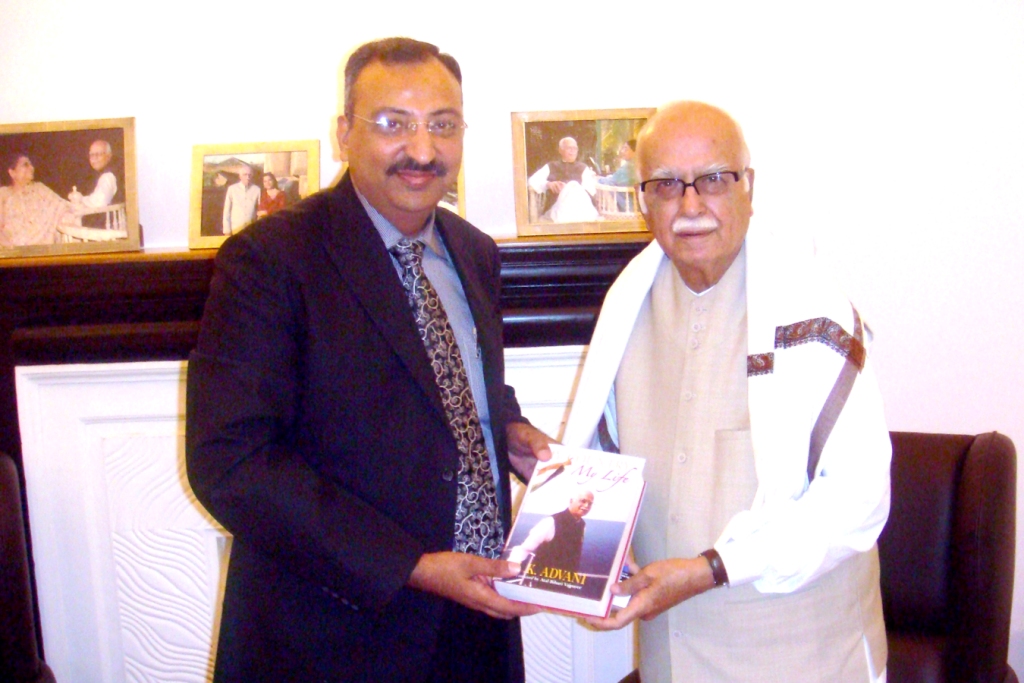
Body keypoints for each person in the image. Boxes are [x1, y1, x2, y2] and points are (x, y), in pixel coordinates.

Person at [186, 37, 555, 682]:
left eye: (443, 125)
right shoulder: (270, 260)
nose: (423, 150)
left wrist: (509, 428)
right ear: (343, 134)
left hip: (477, 626)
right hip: (332, 636)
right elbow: (231, 463)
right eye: (393, 124)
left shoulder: (474, 252)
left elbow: (450, 380)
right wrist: (411, 566)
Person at [562, 101, 891, 683]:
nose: (691, 206)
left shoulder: (813, 310)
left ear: (749, 187)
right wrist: (588, 561)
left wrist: (712, 568)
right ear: (644, 199)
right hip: (672, 655)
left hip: (801, 658)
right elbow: (604, 459)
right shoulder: (627, 303)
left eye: (713, 179)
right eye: (667, 185)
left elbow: (858, 500)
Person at [507, 488, 594, 576]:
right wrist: (509, 569)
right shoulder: (550, 522)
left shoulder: (582, 525)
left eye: (590, 503)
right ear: (571, 501)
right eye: (583, 501)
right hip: (541, 577)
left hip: (566, 579)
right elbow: (525, 548)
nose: (586, 506)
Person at [0, 153, 71, 247]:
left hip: (42, 249)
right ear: (12, 173)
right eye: (25, 165)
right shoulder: (3, 193)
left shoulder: (41, 189)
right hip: (12, 249)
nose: (32, 167)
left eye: (31, 164)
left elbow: (62, 206)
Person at [527, 136, 598, 222]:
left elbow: (590, 191)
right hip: (556, 208)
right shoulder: (551, 166)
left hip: (578, 209)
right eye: (569, 148)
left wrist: (569, 189)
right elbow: (532, 181)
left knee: (573, 185)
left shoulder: (583, 168)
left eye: (575, 148)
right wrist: (548, 184)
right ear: (560, 150)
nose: (572, 151)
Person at [221, 164, 260, 234]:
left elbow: (259, 209)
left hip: (251, 228)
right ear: (240, 176)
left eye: (250, 175)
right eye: (245, 175)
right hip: (236, 227)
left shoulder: (257, 189)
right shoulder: (232, 189)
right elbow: (227, 210)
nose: (248, 177)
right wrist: (227, 229)